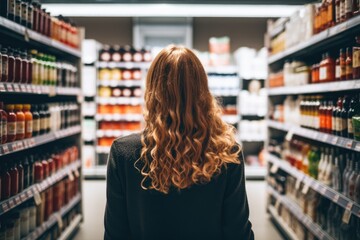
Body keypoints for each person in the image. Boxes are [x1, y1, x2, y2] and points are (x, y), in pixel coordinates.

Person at [104, 45, 254, 240]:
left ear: (151, 91)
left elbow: (116, 233)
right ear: (203, 91)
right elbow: (238, 232)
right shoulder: (227, 152)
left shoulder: (123, 152)